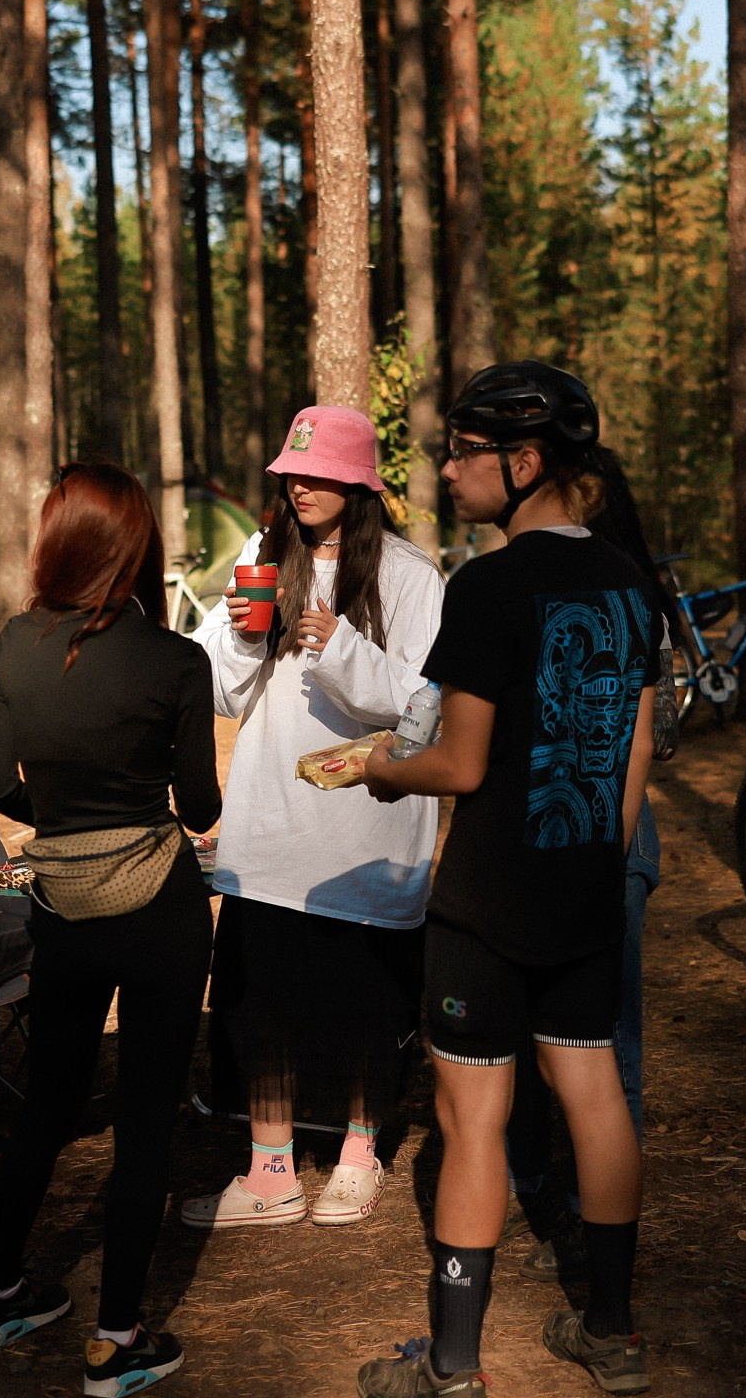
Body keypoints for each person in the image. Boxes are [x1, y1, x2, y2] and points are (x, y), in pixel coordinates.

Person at [355, 362, 661, 1398]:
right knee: (595, 1096)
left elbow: (460, 764)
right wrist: (602, 859)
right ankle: (613, 1333)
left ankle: (453, 1367)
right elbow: (635, 749)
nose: (448, 471)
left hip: (486, 904)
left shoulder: (486, 588)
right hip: (587, 887)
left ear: (524, 463)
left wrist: (383, 770)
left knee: (472, 1119)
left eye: (464, 453)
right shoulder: (630, 579)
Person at [0, 463, 220, 1396]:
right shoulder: (176, 660)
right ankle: (116, 1342)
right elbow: (200, 806)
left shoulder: (13, 643)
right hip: (160, 907)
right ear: (136, 546)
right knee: (146, 1121)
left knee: (48, 1098)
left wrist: (67, 819)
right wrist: (128, 811)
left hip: (61, 903)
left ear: (55, 540)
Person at [181, 406, 444, 1231]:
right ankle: (271, 1172)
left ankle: (360, 1157)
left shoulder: (410, 574)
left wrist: (339, 648)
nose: (300, 486)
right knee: (260, 1005)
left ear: (359, 485)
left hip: (369, 831)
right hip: (271, 828)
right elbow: (216, 693)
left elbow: (424, 706)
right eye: (292, 472)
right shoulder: (262, 556)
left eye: (320, 473)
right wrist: (239, 638)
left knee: (369, 1003)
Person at [504, 447, 672, 1281]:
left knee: (600, 1040)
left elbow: (653, 736)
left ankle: (585, 1223)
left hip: (602, 837)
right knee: (551, 1034)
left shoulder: (626, 596)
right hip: (562, 833)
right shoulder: (549, 589)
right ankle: (538, 1195)